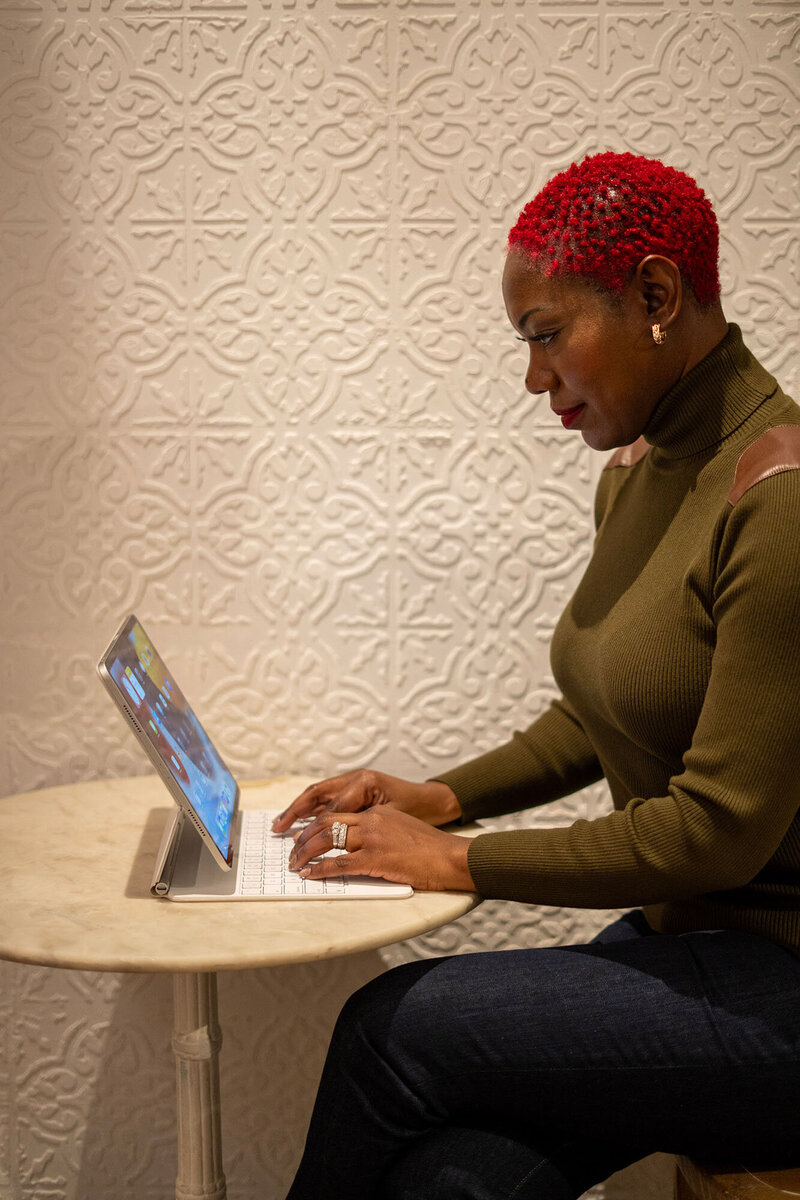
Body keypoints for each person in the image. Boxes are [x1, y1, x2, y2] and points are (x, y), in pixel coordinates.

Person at [276, 152, 800, 1199]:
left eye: (545, 333)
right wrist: (438, 796)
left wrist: (457, 860)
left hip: (781, 987)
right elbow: (599, 711)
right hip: (689, 943)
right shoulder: (637, 472)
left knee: (390, 1026)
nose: (532, 377)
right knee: (458, 1180)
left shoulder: (777, 499)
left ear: (654, 296)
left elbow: (716, 830)